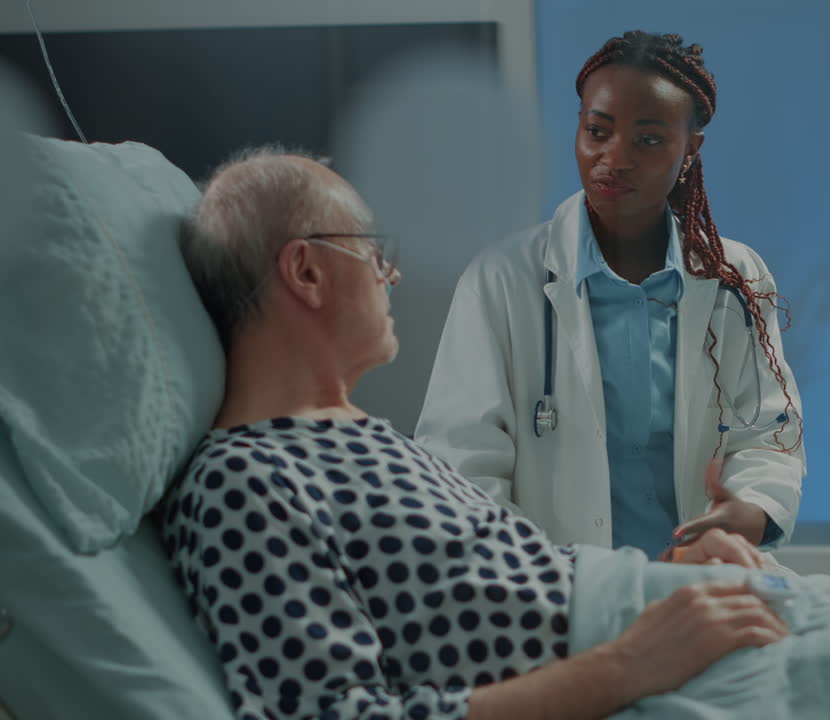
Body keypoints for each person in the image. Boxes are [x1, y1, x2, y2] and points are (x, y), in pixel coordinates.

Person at [166, 147, 790, 720]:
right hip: (638, 666)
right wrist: (629, 663)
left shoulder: (370, 445)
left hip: (661, 620)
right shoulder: (243, 482)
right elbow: (327, 713)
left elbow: (509, 581)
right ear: (306, 271)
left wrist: (670, 567)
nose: (391, 275)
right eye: (371, 249)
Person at [415, 31, 804, 562]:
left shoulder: (734, 276)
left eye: (647, 140)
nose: (613, 158)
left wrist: (749, 512)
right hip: (552, 602)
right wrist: (528, 585)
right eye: (597, 131)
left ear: (690, 149)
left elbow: (767, 436)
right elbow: (459, 462)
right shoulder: (502, 278)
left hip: (698, 583)